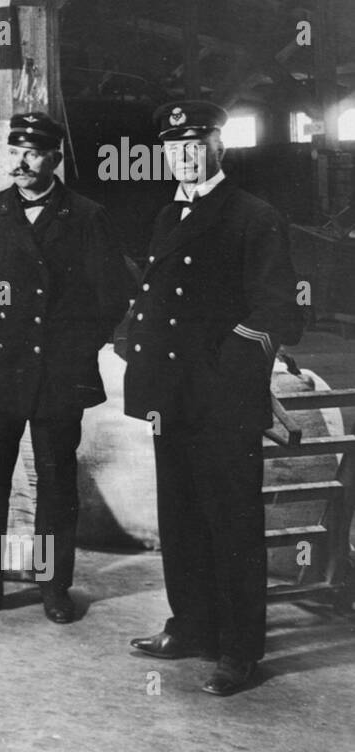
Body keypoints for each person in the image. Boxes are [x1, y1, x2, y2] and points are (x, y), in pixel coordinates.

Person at [125, 99, 304, 697]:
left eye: (194, 144)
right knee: (181, 518)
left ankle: (239, 649)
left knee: (232, 523)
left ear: (218, 147)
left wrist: (231, 374)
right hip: (171, 398)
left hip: (221, 400)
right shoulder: (167, 214)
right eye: (173, 147)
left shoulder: (253, 215)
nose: (183, 156)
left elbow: (278, 308)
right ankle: (192, 626)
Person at [0, 113, 131, 624]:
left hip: (59, 371)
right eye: (15, 151)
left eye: (33, 152)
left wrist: (73, 345)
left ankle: (54, 588)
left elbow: (111, 296)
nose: (20, 162)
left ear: (55, 159)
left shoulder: (87, 216)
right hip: (0, 366)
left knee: (56, 481)